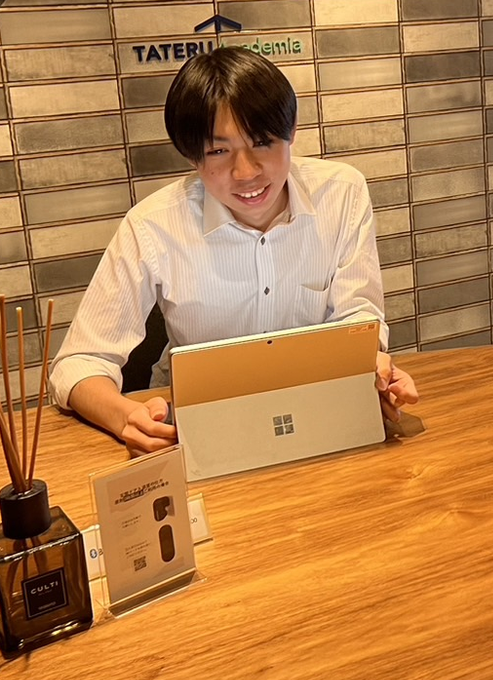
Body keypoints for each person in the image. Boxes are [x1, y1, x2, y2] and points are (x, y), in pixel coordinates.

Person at [48, 45, 417, 455]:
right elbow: (78, 363)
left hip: (317, 417)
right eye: (219, 151)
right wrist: (125, 417)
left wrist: (371, 366)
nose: (246, 172)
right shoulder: (153, 225)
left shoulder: (342, 193)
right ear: (191, 155)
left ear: (291, 131)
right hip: (199, 431)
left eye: (263, 142)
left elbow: (357, 319)